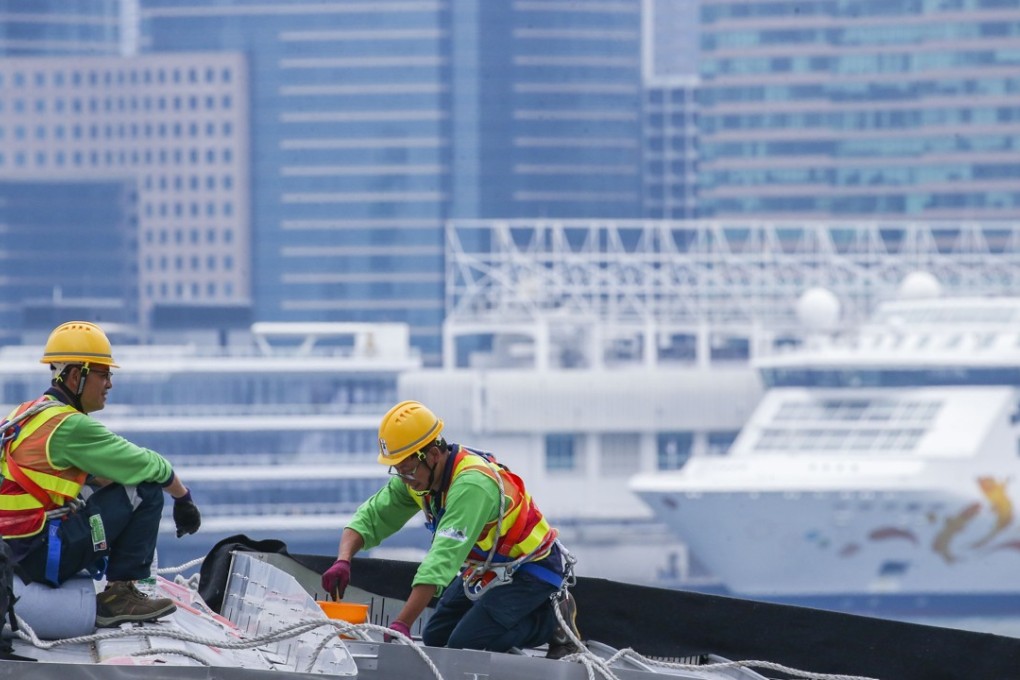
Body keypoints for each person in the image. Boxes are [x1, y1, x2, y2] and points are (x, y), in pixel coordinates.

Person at [321, 400, 582, 657]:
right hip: (488, 568)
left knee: (465, 644)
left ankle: (552, 624)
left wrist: (402, 623)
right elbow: (372, 516)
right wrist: (343, 560)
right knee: (436, 637)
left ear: (433, 455)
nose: (404, 479)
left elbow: (441, 560)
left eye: (407, 470)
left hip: (531, 569)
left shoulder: (471, 486)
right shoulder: (418, 478)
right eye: (398, 470)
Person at [0, 321, 202, 627]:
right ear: (75, 376)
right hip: (42, 556)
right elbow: (151, 465)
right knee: (145, 488)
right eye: (103, 374)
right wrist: (183, 499)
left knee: (105, 485)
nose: (109, 384)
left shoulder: (27, 413)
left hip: (15, 551)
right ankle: (119, 595)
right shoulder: (69, 426)